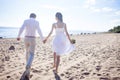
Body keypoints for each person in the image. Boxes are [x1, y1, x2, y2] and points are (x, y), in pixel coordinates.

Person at [17, 13, 44, 78]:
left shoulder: (26, 21)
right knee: (32, 54)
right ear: (35, 17)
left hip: (26, 38)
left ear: (30, 16)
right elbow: (39, 30)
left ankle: (28, 69)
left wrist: (18, 36)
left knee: (27, 52)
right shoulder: (36, 22)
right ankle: (28, 65)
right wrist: (42, 38)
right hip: (32, 38)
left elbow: (21, 28)